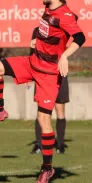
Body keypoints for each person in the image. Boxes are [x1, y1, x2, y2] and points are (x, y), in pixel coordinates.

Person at [0, 0, 85, 183]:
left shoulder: (65, 16)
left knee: (44, 121)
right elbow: (51, 33)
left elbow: (80, 37)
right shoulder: (48, 9)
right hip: (32, 63)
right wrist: (36, 41)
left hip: (49, 75)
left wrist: (65, 55)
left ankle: (47, 168)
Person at [30, 27, 69, 155]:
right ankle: (38, 144)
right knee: (42, 111)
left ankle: (60, 144)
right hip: (42, 76)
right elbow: (32, 54)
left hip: (59, 75)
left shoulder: (62, 31)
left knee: (59, 109)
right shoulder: (37, 31)